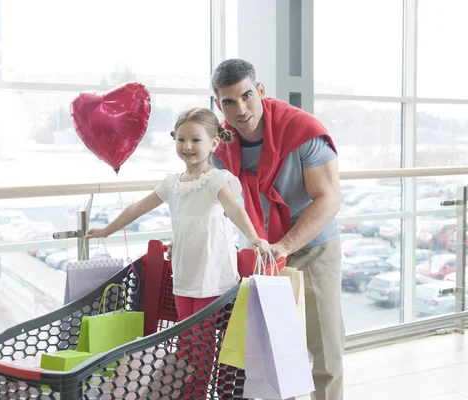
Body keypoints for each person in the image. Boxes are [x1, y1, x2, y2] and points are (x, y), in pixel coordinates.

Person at [85, 107, 270, 399]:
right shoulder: (172, 184)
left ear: (213, 143)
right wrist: (106, 230)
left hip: (212, 279)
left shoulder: (216, 180)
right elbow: (137, 208)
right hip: (184, 277)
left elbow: (235, 209)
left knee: (203, 344)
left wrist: (253, 236)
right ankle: (184, 394)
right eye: (181, 139)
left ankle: (193, 395)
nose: (187, 147)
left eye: (196, 140)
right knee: (186, 343)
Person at [210, 58, 345, 400]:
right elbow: (215, 202)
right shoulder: (219, 145)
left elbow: (328, 199)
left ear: (261, 91)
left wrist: (285, 245)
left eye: (247, 96)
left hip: (312, 247)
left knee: (324, 350)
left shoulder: (300, 130)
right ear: (218, 104)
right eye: (229, 101)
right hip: (262, 254)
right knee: (274, 354)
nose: (241, 109)